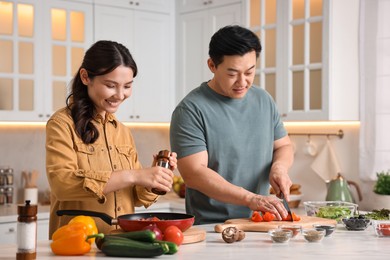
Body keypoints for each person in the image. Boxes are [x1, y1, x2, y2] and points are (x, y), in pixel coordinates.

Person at [46, 40, 177, 237]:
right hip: (77, 244)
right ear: (85, 77)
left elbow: (136, 197)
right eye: (110, 85)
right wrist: (134, 175)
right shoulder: (61, 123)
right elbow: (62, 184)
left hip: (121, 242)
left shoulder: (122, 131)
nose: (120, 95)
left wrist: (152, 179)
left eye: (127, 86)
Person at [170, 25, 294, 225]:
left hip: (263, 222)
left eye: (249, 72)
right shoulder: (190, 110)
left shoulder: (264, 99)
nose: (242, 82)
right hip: (213, 227)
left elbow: (283, 146)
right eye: (232, 73)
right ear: (212, 65)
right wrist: (251, 199)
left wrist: (279, 168)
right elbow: (194, 174)